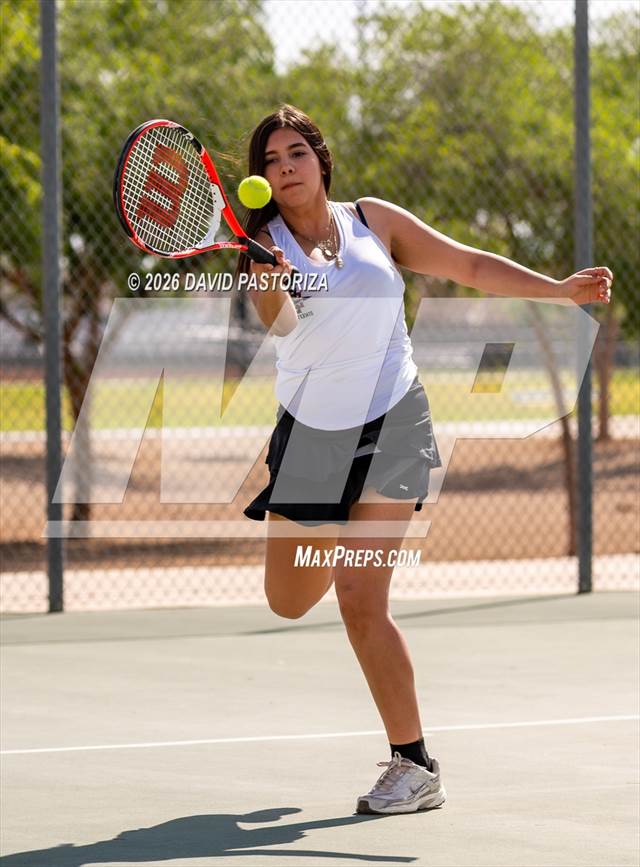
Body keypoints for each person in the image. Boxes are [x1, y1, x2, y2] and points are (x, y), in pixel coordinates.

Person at [239, 104, 613, 815]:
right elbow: (279, 325)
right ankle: (328, 547)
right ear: (261, 179)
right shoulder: (263, 245)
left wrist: (558, 289)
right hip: (314, 434)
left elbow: (467, 263)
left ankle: (413, 765)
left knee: (359, 597)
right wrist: (272, 279)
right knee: (288, 602)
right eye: (270, 161)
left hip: (395, 420)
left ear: (320, 159)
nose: (284, 168)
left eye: (295, 153)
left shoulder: (373, 220)